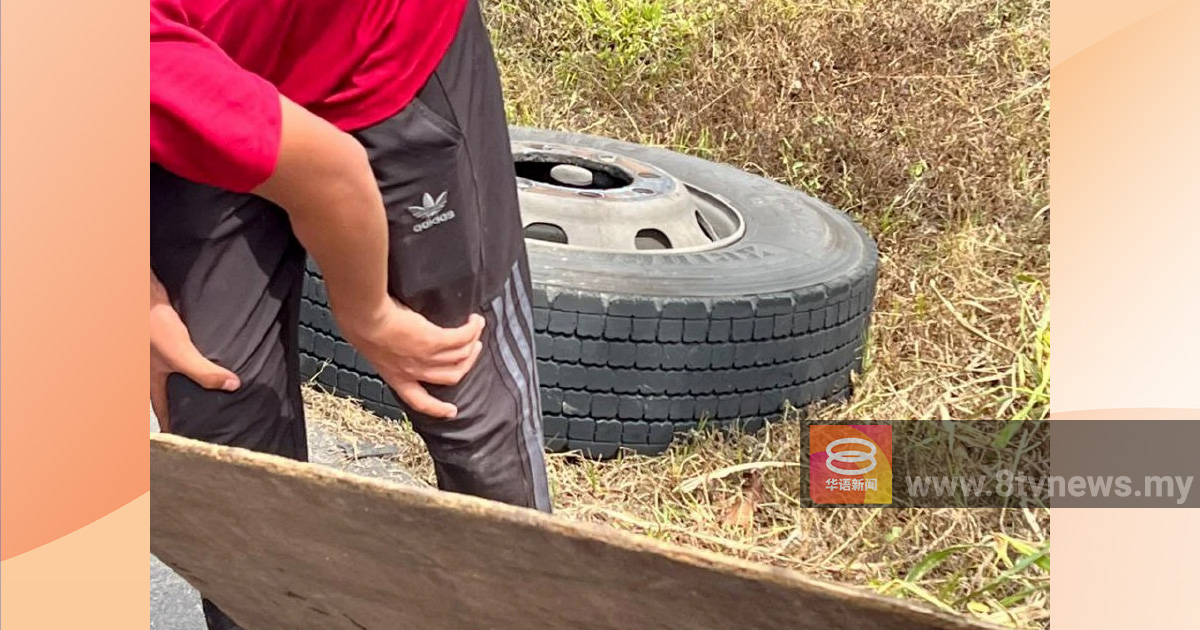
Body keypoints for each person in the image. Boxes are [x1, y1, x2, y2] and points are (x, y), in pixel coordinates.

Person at [150, 1, 551, 627]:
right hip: (182, 80)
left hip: (376, 49)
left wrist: (369, 317)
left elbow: (331, 174)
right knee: (221, 424)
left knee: (457, 389)